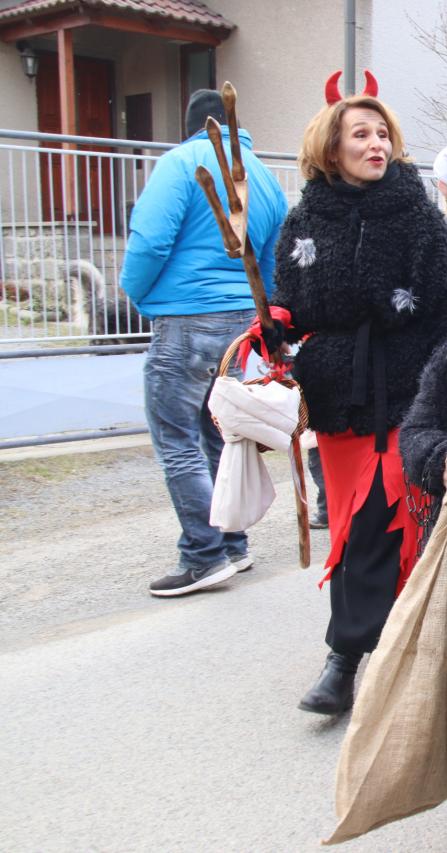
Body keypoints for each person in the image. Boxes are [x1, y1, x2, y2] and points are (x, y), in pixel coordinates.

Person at [270, 77, 447, 715]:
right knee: (352, 527)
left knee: (388, 521)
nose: (377, 143)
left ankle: (350, 655)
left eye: (383, 133)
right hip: (338, 399)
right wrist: (275, 325)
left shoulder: (417, 214)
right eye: (361, 134)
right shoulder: (304, 219)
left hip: (409, 389)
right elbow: (292, 303)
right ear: (331, 147)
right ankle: (371, 651)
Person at [121, 89, 287, 597]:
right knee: (220, 432)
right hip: (240, 322)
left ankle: (204, 555)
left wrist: (137, 292)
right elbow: (271, 257)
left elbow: (150, 240)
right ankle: (233, 545)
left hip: (185, 318)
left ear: (190, 126)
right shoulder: (261, 175)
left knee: (178, 440)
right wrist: (261, 312)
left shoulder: (181, 163)